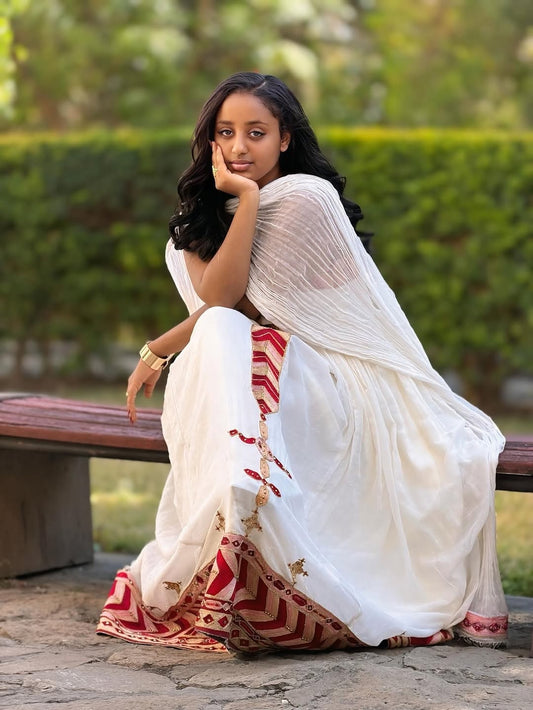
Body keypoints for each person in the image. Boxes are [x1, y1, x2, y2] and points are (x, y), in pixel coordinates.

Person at [97, 72, 508, 654]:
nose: (240, 147)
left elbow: (241, 305)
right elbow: (221, 302)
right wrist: (237, 209)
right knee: (219, 332)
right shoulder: (193, 226)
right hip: (243, 378)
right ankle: (237, 509)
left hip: (320, 380)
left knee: (223, 330)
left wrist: (160, 345)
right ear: (210, 141)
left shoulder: (305, 201)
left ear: (284, 139)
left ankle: (247, 494)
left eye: (256, 133)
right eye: (226, 132)